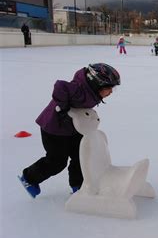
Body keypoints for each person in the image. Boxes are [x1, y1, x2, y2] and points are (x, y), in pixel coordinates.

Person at [18, 63, 121, 198]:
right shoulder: (78, 89)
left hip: (73, 129)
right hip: (54, 128)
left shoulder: (92, 92)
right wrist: (63, 107)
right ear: (96, 84)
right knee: (57, 162)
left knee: (81, 156)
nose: (111, 92)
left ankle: (78, 186)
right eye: (108, 88)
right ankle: (29, 178)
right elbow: (60, 86)